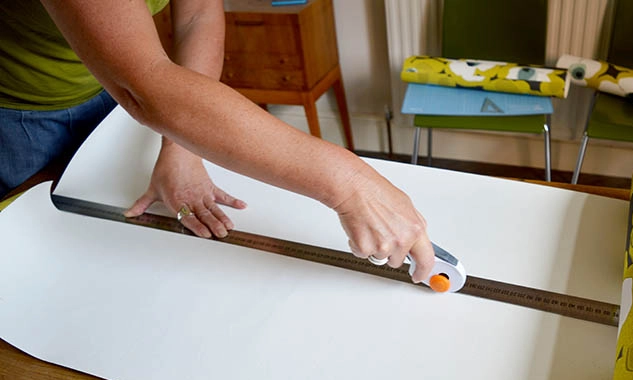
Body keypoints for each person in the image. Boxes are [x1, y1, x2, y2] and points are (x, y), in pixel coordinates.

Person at [0, 0, 435, 281]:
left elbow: (198, 15)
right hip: (15, 107)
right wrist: (350, 183)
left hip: (102, 89)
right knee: (31, 261)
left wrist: (181, 148)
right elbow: (144, 87)